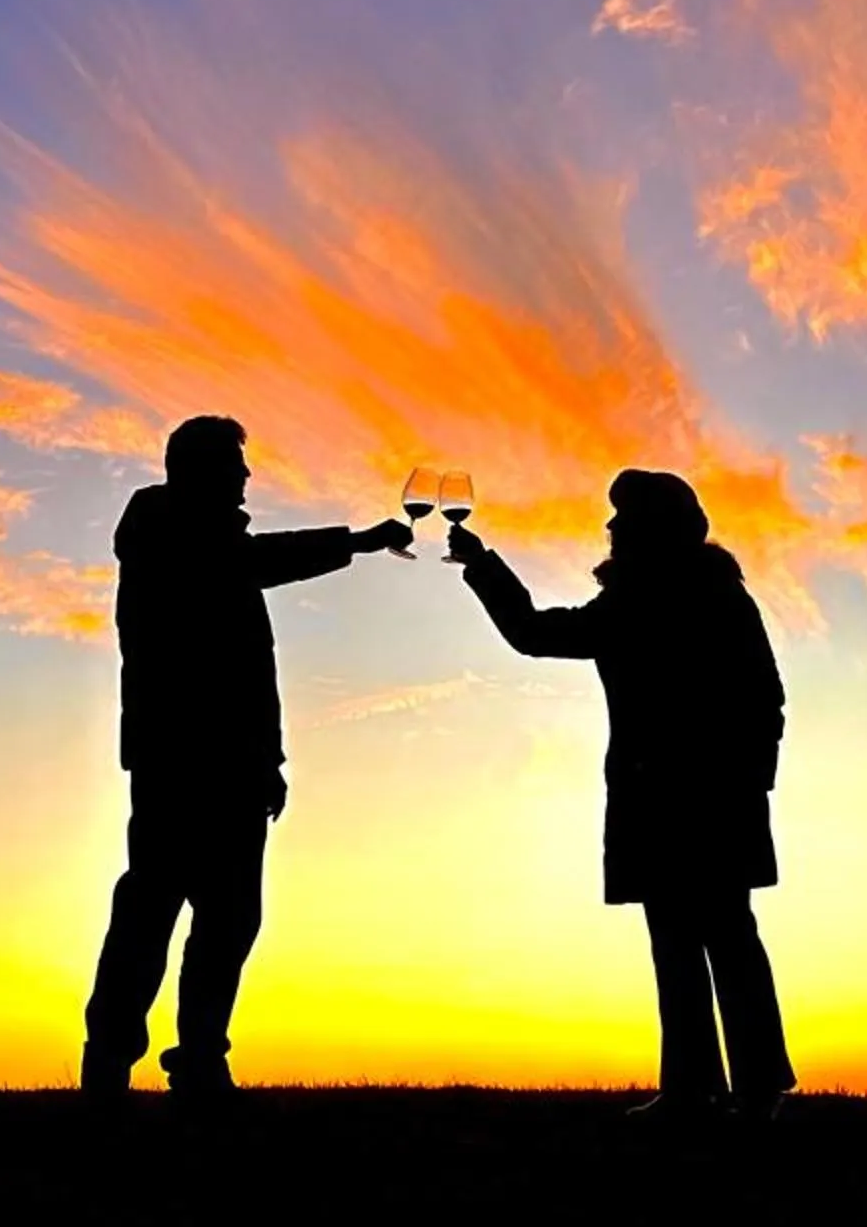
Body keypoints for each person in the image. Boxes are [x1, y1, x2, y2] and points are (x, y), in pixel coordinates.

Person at [81, 415, 413, 1099]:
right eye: (234, 463)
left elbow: (246, 674)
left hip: (232, 763)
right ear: (198, 468)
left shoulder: (202, 539)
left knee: (226, 918)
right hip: (180, 760)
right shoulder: (165, 535)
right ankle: (115, 1056)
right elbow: (252, 565)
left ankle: (197, 1056)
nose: (246, 476)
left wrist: (269, 760)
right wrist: (358, 541)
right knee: (153, 909)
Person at [448, 469, 795, 1119]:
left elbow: (535, 634)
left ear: (649, 531)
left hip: (684, 798)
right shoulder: (701, 595)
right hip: (699, 798)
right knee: (707, 937)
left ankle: (724, 1089)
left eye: (623, 519)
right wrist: (750, 781)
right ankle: (722, 1088)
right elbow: (768, 699)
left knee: (707, 939)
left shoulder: (652, 600)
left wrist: (482, 565)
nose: (609, 529)